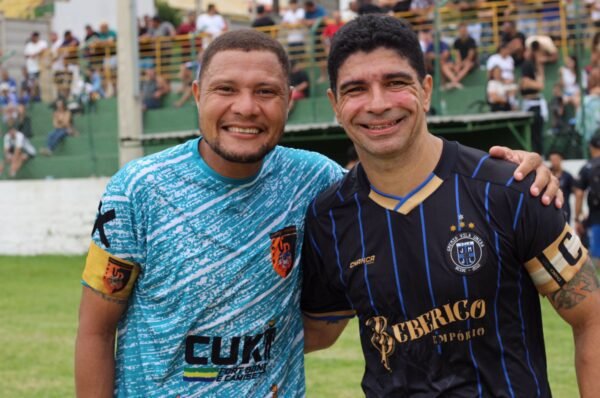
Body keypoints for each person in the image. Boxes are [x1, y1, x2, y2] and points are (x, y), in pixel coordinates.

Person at [74, 28, 559, 398]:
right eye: (225, 90)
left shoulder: (319, 186)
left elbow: (404, 181)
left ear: (290, 101)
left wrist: (521, 170)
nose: (246, 107)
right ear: (198, 94)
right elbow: (96, 330)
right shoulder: (139, 189)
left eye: (265, 92)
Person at [301, 15, 600, 397]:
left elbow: (590, 317)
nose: (377, 104)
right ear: (335, 104)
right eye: (356, 89)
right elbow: (315, 333)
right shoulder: (329, 218)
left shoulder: (509, 189)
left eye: (396, 83)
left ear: (426, 90)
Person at [575, 134, 600, 269]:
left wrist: (577, 218)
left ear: (591, 147)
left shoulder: (588, 167)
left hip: (596, 216)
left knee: (596, 255)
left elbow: (579, 194)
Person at [520, 41, 546, 154]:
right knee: (532, 135)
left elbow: (540, 84)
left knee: (537, 135)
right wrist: (537, 84)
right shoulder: (527, 64)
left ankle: (539, 157)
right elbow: (525, 83)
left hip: (536, 103)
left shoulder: (535, 65)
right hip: (530, 103)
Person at [549, 150, 575, 223]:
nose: (554, 162)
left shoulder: (567, 176)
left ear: (561, 159)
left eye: (556, 160)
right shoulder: (547, 175)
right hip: (549, 209)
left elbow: (575, 191)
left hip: (564, 208)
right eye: (552, 160)